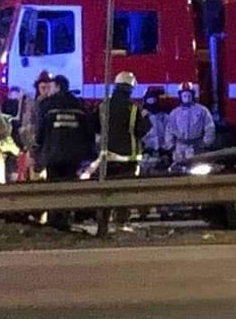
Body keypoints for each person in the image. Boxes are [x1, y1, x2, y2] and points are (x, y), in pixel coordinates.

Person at [36, 74, 94, 230]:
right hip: (74, 155)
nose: (49, 90)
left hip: (53, 154)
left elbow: (40, 133)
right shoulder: (79, 104)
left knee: (53, 188)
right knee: (69, 187)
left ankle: (54, 221)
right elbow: (88, 131)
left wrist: (40, 148)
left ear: (58, 86)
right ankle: (65, 219)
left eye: (51, 86)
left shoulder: (47, 104)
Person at [98, 71, 152, 226]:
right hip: (128, 157)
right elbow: (142, 130)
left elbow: (95, 127)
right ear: (130, 88)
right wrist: (146, 117)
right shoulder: (133, 108)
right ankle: (121, 222)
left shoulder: (103, 106)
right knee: (124, 191)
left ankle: (103, 223)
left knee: (106, 190)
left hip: (107, 155)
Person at [165, 81, 215, 163]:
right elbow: (169, 130)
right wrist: (170, 145)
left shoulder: (202, 111)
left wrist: (206, 143)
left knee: (198, 168)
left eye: (189, 95)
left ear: (193, 95)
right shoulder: (175, 113)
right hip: (179, 149)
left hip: (197, 147)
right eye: (184, 95)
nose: (187, 97)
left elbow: (209, 127)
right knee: (179, 168)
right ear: (180, 96)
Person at [19, 71, 53, 181]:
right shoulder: (34, 105)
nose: (46, 91)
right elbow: (27, 127)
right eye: (43, 88)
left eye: (48, 88)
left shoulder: (53, 104)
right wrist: (31, 148)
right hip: (37, 149)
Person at [141, 86, 171, 173]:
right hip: (147, 152)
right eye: (149, 100)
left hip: (163, 152)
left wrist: (167, 149)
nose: (151, 102)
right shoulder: (141, 117)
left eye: (153, 99)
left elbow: (170, 133)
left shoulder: (164, 117)